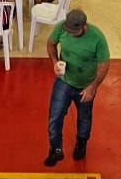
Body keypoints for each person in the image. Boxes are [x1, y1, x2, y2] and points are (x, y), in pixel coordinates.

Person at [44, 9, 110, 167]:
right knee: (55, 116)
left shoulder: (97, 38)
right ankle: (55, 149)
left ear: (84, 26)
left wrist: (92, 87)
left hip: (85, 85)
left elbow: (104, 64)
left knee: (84, 117)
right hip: (64, 80)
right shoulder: (61, 27)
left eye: (74, 31)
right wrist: (54, 61)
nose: (71, 34)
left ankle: (81, 142)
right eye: (69, 31)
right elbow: (51, 43)